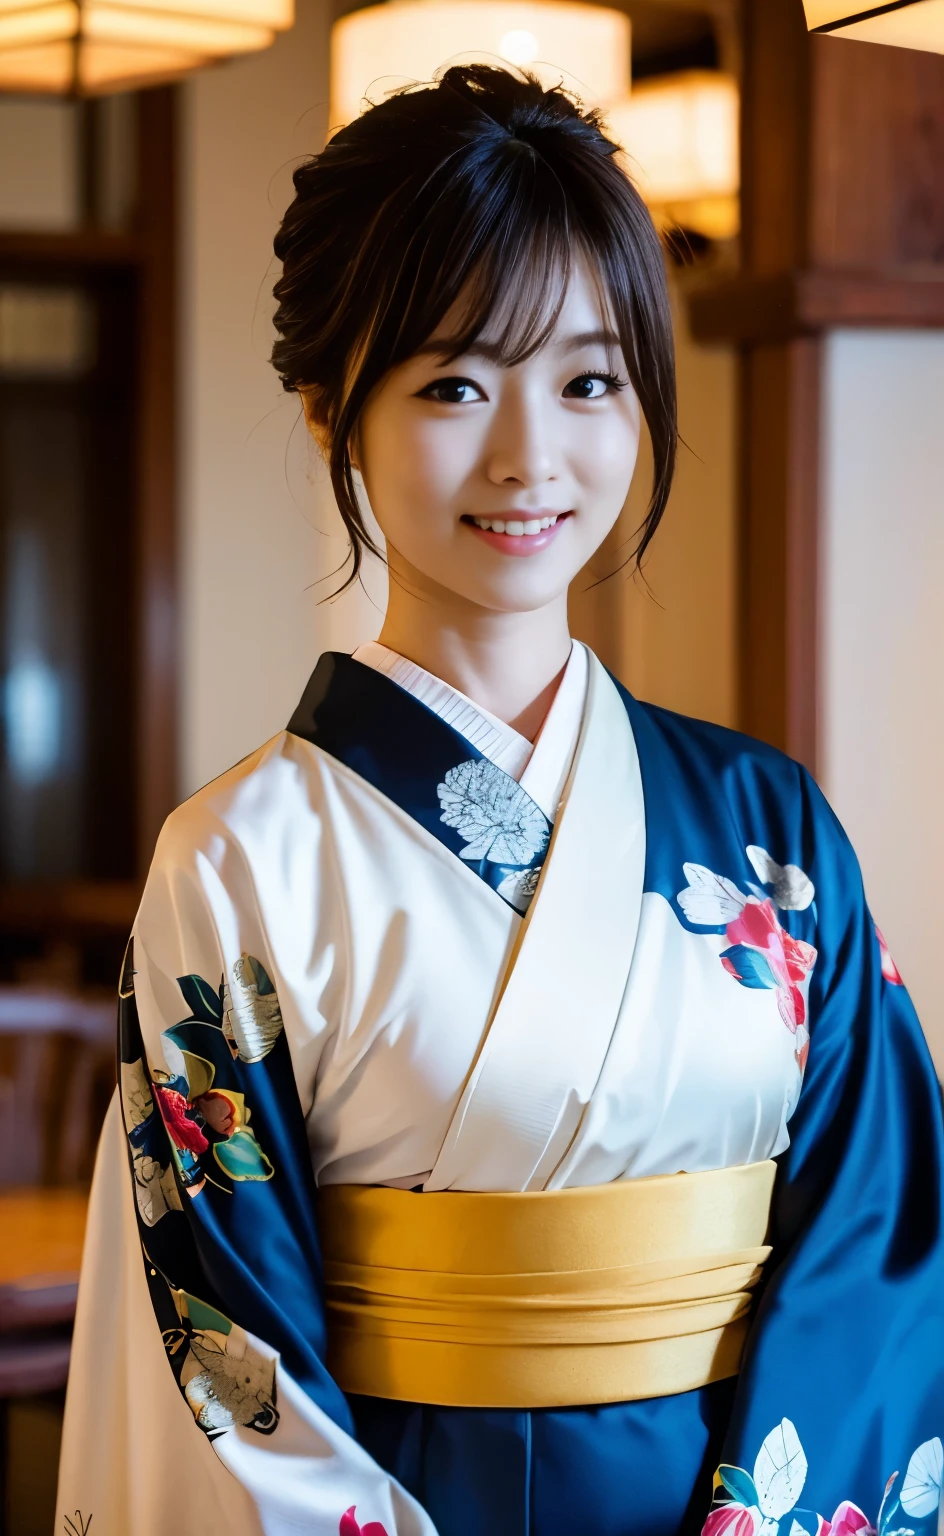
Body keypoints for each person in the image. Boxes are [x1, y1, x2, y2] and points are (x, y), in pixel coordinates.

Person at [57, 65, 944, 1536]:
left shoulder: (773, 831)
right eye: (458, 383)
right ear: (331, 403)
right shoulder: (237, 865)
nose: (534, 456)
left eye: (591, 380)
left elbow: (889, 1241)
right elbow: (220, 1345)